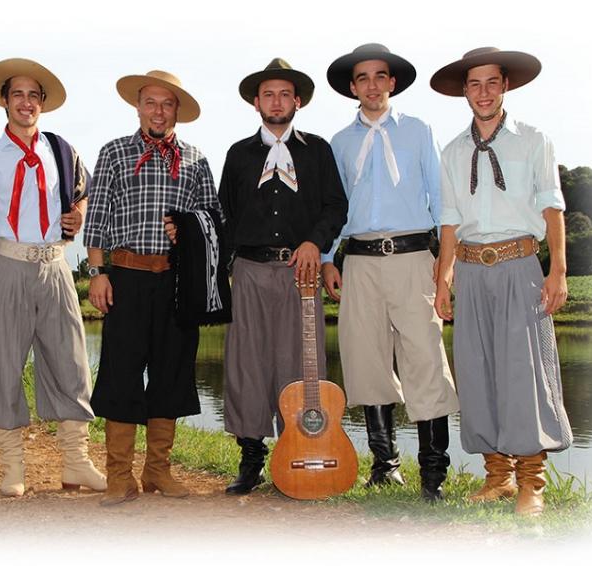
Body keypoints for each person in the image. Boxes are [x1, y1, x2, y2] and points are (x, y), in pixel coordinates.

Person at [431, 47, 573, 515]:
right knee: (477, 372)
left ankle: (532, 481)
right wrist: (443, 279)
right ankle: (498, 476)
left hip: (519, 264)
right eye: (475, 84)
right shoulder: (451, 152)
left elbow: (552, 206)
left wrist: (557, 270)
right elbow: (448, 223)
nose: (484, 92)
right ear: (465, 92)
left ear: (505, 86)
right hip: (470, 271)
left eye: (492, 82)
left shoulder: (533, 141)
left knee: (522, 373)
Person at [321, 43, 459, 501]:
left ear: (392, 83)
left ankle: (433, 475)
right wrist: (326, 258)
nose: (373, 84)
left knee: (425, 360)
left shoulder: (418, 131)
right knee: (366, 360)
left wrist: (445, 265)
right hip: (359, 261)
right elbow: (335, 208)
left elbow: (441, 201)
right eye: (363, 78)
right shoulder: (339, 143)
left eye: (381, 76)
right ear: (353, 88)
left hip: (413, 256)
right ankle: (385, 465)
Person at [83, 70, 221, 506]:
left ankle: (158, 470)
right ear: (138, 106)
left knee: (172, 372)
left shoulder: (197, 160)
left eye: (167, 104)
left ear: (177, 110)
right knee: (121, 373)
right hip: (125, 276)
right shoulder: (114, 153)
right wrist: (96, 273)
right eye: (151, 102)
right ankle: (119, 475)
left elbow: (214, 221)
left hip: (177, 283)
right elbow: (98, 217)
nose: (158, 111)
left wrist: (190, 231)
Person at [0, 58, 105, 497]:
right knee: (4, 362)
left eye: (33, 95)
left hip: (56, 266)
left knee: (72, 361)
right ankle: (12, 466)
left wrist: (78, 216)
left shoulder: (62, 151)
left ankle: (76, 462)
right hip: (9, 264)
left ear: (42, 104)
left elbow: (82, 198)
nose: (25, 103)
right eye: (17, 95)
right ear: (5, 102)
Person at [218, 58, 348, 495]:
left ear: (298, 102)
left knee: (300, 366)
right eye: (268, 94)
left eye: (285, 94)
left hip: (301, 272)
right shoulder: (238, 154)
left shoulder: (318, 151)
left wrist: (315, 242)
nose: (277, 101)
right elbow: (225, 215)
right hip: (251, 271)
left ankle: (298, 451)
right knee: (247, 365)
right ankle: (251, 459)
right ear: (257, 102)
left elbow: (335, 207)